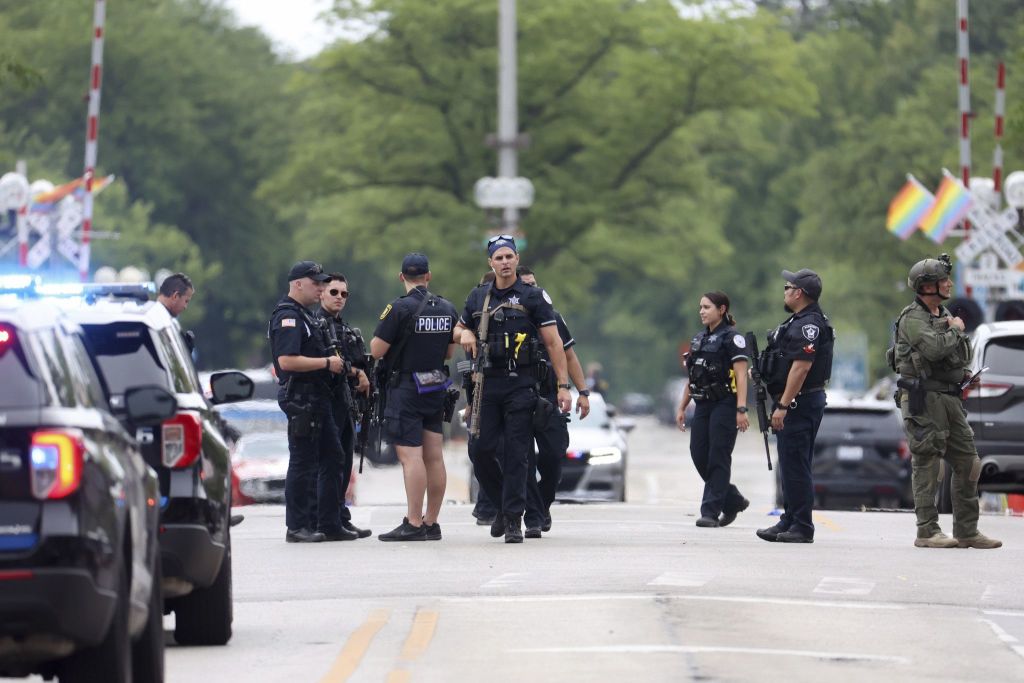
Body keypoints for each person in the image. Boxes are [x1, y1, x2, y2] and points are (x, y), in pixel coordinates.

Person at [454, 236, 572, 543]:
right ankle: (502, 507)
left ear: (517, 259)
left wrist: (563, 386)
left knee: (518, 453)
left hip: (520, 383)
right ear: (490, 263)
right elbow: (460, 326)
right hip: (487, 384)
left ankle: (513, 520)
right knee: (480, 451)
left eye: (509, 256)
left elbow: (553, 342)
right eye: (499, 258)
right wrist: (463, 334)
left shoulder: (533, 296)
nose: (505, 262)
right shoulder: (478, 295)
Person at [892, 256, 1001, 549]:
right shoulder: (913, 318)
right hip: (924, 400)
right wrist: (955, 329)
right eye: (944, 280)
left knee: (969, 463)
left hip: (950, 399)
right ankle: (927, 531)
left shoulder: (943, 313)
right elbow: (934, 349)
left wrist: (965, 375)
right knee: (928, 464)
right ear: (927, 287)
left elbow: (957, 355)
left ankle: (967, 530)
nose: (949, 283)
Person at [370, 253, 458, 542]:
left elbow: (377, 350)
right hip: (435, 384)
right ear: (428, 276)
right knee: (434, 456)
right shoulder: (447, 308)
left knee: (410, 457)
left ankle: (414, 521)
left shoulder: (399, 308)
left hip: (407, 387)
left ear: (401, 277)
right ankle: (432, 521)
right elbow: (448, 353)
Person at [268, 260, 347, 543]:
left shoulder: (306, 315)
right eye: (316, 283)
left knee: (333, 457)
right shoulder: (288, 316)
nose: (321, 288)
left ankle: (327, 522)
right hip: (301, 398)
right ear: (298, 283)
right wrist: (326, 362)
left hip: (318, 397)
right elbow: (286, 361)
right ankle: (297, 526)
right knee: (303, 463)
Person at [754, 269, 834, 544]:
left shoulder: (808, 325)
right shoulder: (797, 321)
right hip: (794, 402)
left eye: (788, 287)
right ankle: (789, 519)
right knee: (788, 463)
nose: (785, 291)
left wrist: (784, 405)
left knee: (796, 464)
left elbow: (801, 368)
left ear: (799, 293)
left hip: (799, 403)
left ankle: (802, 525)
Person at [517, 265, 590, 537]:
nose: (532, 290)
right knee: (523, 459)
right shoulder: (509, 316)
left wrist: (582, 392)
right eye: (526, 285)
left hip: (549, 395)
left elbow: (569, 356)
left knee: (555, 455)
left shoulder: (552, 317)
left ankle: (542, 504)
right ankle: (533, 517)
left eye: (535, 284)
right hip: (519, 394)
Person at [676, 291, 751, 528]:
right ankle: (733, 500)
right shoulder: (698, 340)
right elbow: (693, 377)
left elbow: (741, 374)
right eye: (700, 307)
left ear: (722, 309)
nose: (701, 311)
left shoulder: (732, 338)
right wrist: (682, 406)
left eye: (707, 307)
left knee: (718, 456)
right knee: (699, 454)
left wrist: (741, 408)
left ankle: (710, 511)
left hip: (725, 404)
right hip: (703, 404)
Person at [318, 273, 372, 539]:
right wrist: (356, 373)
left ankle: (340, 515)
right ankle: (327, 520)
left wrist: (362, 372)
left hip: (347, 401)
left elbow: (358, 359)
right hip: (326, 400)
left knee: (345, 460)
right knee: (332, 461)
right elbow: (330, 361)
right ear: (321, 294)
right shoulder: (318, 325)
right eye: (334, 292)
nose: (340, 298)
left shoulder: (344, 327)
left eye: (344, 294)